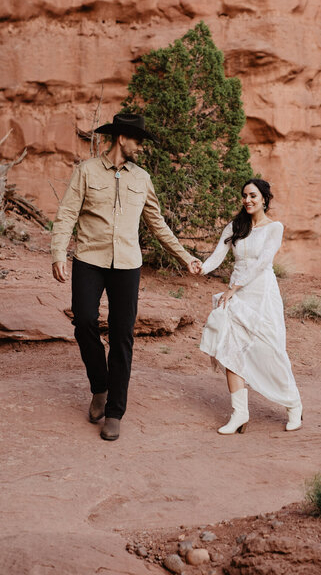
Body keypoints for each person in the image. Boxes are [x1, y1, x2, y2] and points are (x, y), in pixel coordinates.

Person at [50, 113, 202, 441]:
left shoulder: (142, 178)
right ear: (122, 138)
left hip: (128, 266)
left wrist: (185, 256)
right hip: (90, 259)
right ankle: (100, 386)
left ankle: (115, 411)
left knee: (122, 336)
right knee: (85, 321)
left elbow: (157, 223)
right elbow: (66, 214)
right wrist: (58, 252)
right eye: (138, 140)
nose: (141, 147)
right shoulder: (86, 171)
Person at [198, 178, 303, 434]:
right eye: (244, 195)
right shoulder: (235, 227)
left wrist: (233, 289)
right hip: (236, 296)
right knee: (228, 349)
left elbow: (261, 263)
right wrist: (199, 267)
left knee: (271, 350)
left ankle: (293, 405)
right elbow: (216, 257)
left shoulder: (274, 228)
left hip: (261, 294)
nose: (247, 200)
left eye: (253, 195)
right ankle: (240, 414)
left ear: (264, 199)